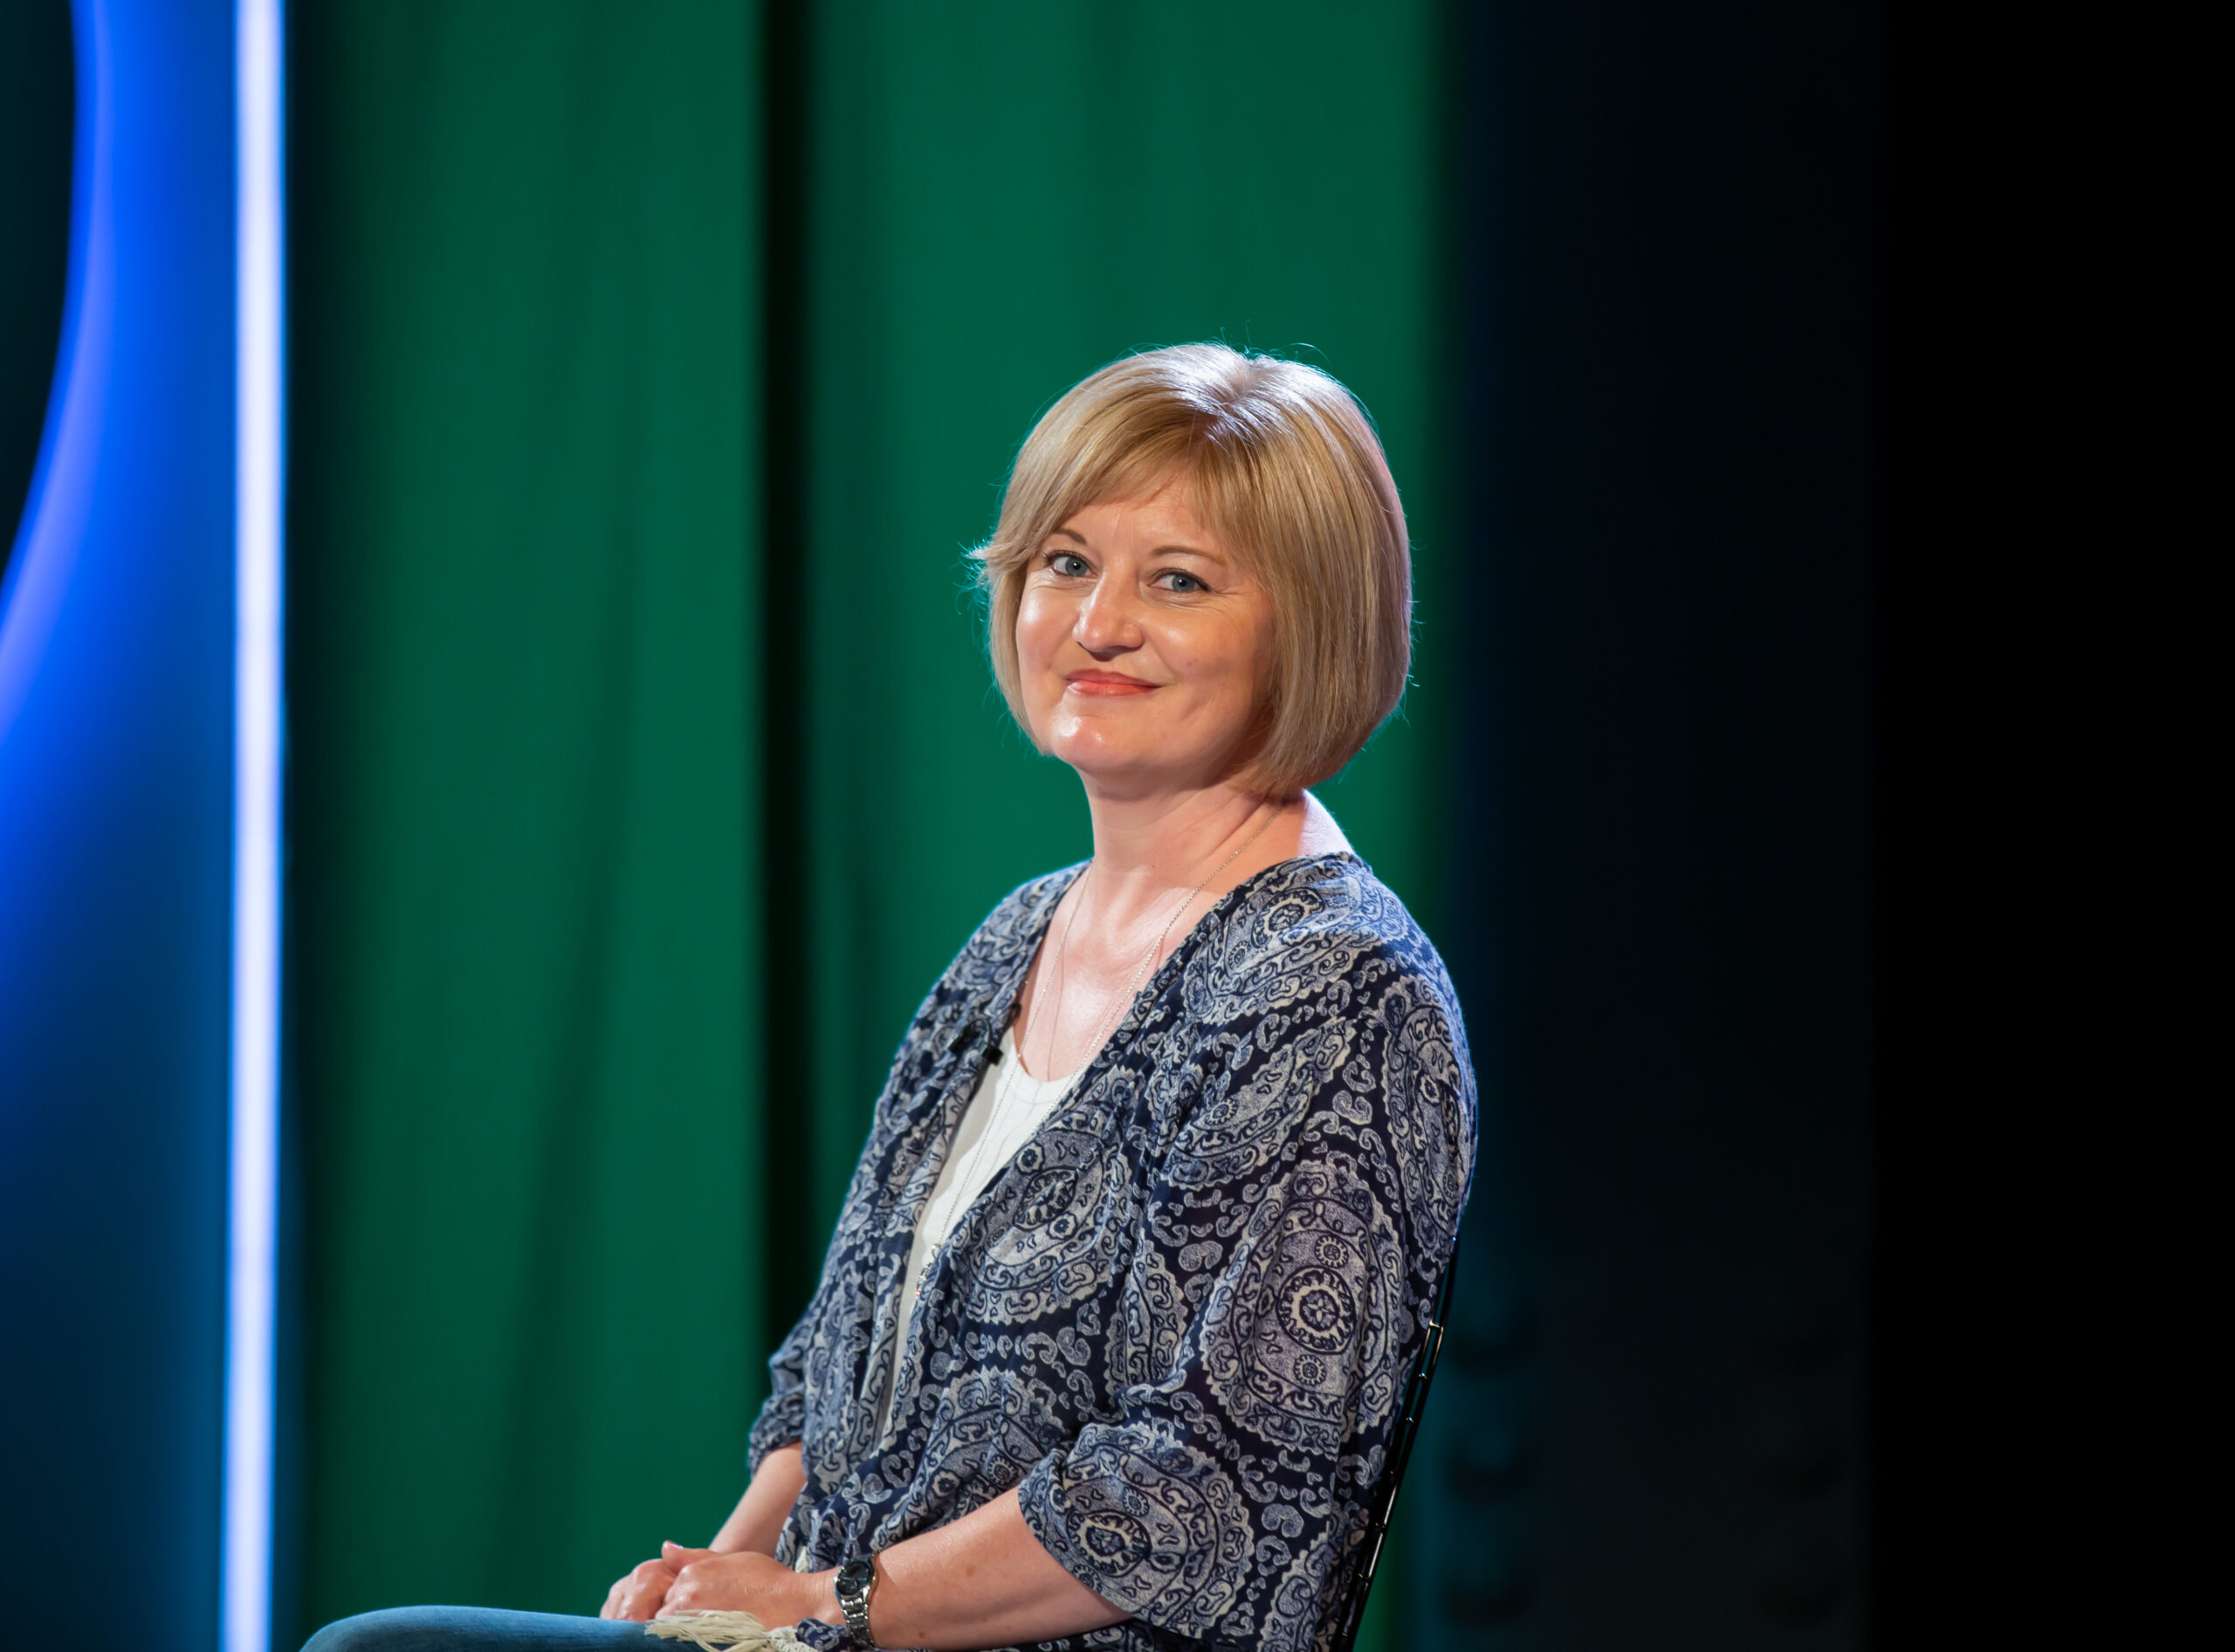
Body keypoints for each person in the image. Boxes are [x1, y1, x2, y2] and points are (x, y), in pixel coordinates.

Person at [307, 343, 1475, 1652]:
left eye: (1180, 582)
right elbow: (833, 1370)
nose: (1097, 624)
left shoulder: (1339, 985)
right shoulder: (1017, 937)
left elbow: (1198, 1490)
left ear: (1313, 623)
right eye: (1065, 563)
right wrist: (712, 1581)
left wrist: (826, 1606)